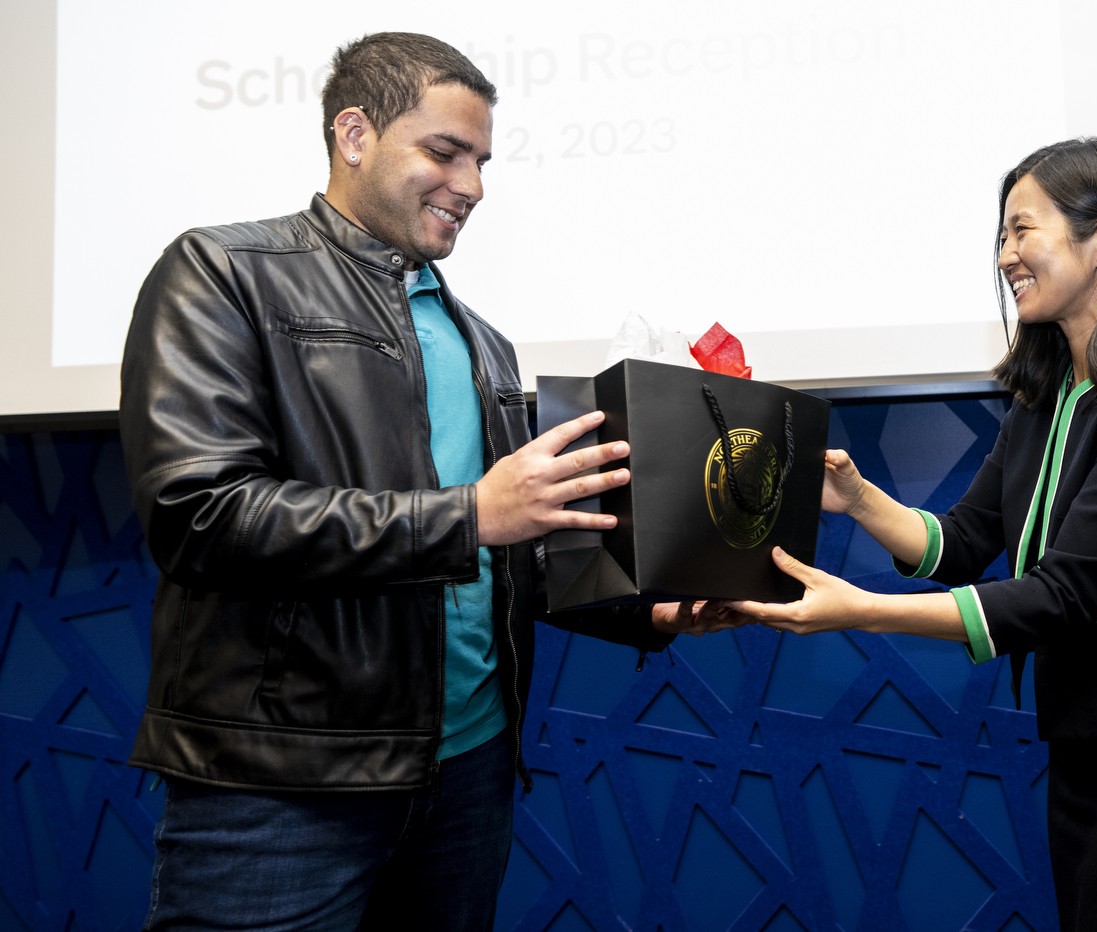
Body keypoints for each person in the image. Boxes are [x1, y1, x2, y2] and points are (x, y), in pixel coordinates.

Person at [120, 32, 721, 932]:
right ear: (353, 134)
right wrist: (472, 512)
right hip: (283, 787)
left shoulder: (482, 340)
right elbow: (200, 517)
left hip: (469, 778)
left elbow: (520, 547)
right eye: (445, 152)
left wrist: (648, 612)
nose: (472, 185)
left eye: (481, 159)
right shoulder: (223, 273)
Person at [724, 138, 1097, 931]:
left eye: (1022, 230)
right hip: (1084, 749)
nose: (1006, 255)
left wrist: (861, 609)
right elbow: (964, 541)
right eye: (1000, 237)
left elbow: (1062, 597)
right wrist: (859, 498)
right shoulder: (1043, 400)